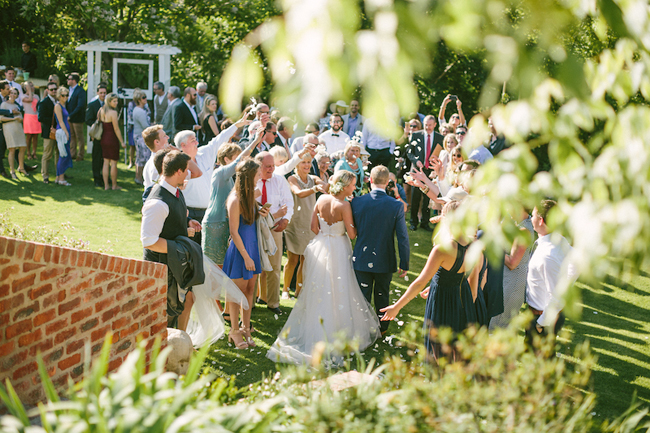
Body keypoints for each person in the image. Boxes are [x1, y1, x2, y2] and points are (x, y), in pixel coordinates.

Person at [267, 170, 381, 365]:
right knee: (340, 287)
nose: (354, 187)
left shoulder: (321, 200)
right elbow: (352, 234)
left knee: (319, 287)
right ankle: (338, 330)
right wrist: (353, 227)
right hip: (338, 246)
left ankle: (316, 328)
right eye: (353, 184)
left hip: (321, 245)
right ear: (345, 187)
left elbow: (314, 227)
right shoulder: (344, 205)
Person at [380, 201, 480, 363]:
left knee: (438, 351)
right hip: (464, 302)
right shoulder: (475, 246)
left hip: (441, 303)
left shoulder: (442, 249)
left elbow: (419, 282)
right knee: (457, 353)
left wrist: (395, 307)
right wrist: (435, 285)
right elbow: (472, 288)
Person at [141, 149, 203, 328]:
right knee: (165, 315)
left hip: (176, 264)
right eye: (185, 170)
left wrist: (186, 224)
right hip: (162, 269)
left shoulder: (175, 190)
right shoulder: (157, 202)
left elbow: (171, 223)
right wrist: (181, 246)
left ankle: (180, 343)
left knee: (186, 302)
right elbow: (149, 241)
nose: (188, 173)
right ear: (178, 172)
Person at [175, 107, 252, 246]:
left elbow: (219, 139)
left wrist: (236, 125)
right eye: (193, 140)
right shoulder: (177, 163)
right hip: (188, 213)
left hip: (209, 211)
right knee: (189, 249)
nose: (197, 142)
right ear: (183, 145)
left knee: (207, 252)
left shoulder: (204, 153)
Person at [351, 165, 410, 335]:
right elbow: (403, 237)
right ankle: (382, 329)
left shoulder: (357, 201)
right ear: (388, 182)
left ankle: (360, 328)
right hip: (385, 258)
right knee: (382, 294)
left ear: (370, 180)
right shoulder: (395, 205)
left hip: (361, 257)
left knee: (362, 296)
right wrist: (404, 262)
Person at [222, 158, 270, 349]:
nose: (260, 177)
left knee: (250, 290)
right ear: (249, 176)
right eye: (258, 174)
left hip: (252, 247)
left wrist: (261, 212)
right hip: (241, 251)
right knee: (236, 293)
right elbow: (234, 231)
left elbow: (250, 219)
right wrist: (246, 256)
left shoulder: (251, 197)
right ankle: (234, 331)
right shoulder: (235, 199)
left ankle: (246, 328)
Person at [203, 127, 264, 266]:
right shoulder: (219, 174)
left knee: (225, 267)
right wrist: (255, 141)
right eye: (237, 158)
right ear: (226, 159)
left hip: (226, 224)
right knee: (214, 267)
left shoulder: (231, 178)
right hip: (215, 224)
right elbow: (241, 160)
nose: (240, 162)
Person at [525, 200, 577, 346]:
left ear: (540, 220)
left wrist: (540, 324)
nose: (530, 218)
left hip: (542, 316)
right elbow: (576, 262)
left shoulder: (547, 255)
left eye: (533, 215)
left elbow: (557, 296)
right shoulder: (559, 240)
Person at [282, 153, 328, 299]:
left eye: (309, 162)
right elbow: (299, 193)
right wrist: (315, 189)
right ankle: (285, 290)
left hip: (310, 222)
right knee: (293, 259)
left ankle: (299, 292)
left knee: (305, 259)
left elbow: (325, 186)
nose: (307, 165)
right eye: (304, 162)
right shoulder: (292, 178)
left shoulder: (313, 178)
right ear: (296, 164)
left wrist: (330, 184)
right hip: (295, 222)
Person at [255, 151, 294, 315]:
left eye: (273, 166)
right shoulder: (252, 181)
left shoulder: (279, 179)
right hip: (254, 227)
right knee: (255, 265)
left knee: (274, 265)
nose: (272, 169)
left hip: (275, 228)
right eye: (268, 166)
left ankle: (273, 302)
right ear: (259, 166)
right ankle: (254, 300)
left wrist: (286, 219)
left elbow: (288, 202)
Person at [489, 209, 536, 330]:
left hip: (512, 284)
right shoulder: (517, 224)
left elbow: (512, 263)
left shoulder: (524, 231)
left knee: (497, 326)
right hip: (505, 280)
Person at [99, 93, 126, 190]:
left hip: (104, 138)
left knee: (105, 162)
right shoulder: (113, 113)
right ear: (109, 101)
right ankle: (114, 185)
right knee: (113, 163)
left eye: (117, 101)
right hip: (112, 139)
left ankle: (106, 186)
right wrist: (122, 141)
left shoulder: (101, 110)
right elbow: (116, 129)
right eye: (114, 101)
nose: (116, 103)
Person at [1, 88, 28, 179]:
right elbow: (1, 118)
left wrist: (20, 119)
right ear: (9, 94)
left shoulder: (17, 105)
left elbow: (21, 117)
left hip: (18, 128)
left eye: (15, 93)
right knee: (12, 149)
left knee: (23, 147)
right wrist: (14, 118)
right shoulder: (4, 104)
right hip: (9, 128)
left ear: (17, 95)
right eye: (11, 93)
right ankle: (12, 171)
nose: (13, 95)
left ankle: (21, 167)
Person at [85, 83, 107, 187]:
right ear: (97, 93)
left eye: (104, 93)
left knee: (105, 157)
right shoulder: (92, 104)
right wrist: (96, 125)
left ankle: (105, 176)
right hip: (97, 134)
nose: (103, 94)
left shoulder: (108, 103)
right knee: (97, 157)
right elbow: (87, 120)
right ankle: (97, 178)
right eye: (101, 93)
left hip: (107, 134)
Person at [38, 81, 57, 184]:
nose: (54, 91)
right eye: (51, 89)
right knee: (47, 154)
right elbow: (40, 118)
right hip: (48, 132)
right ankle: (45, 175)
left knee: (59, 153)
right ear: (47, 91)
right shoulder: (43, 102)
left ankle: (60, 174)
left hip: (59, 131)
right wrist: (54, 120)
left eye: (55, 89)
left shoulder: (59, 100)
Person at [53, 87, 73, 186]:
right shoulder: (58, 106)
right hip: (62, 132)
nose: (65, 97)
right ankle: (61, 178)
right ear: (59, 96)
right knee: (63, 154)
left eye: (66, 95)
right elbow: (60, 121)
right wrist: (66, 132)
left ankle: (58, 177)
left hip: (65, 130)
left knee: (64, 153)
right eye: (63, 95)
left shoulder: (64, 105)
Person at [65, 73, 86, 161]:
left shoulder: (80, 91)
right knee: (71, 135)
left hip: (77, 117)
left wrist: (71, 115)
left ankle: (80, 155)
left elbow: (80, 105)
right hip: (69, 117)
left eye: (69, 79)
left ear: (74, 80)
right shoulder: (68, 90)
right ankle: (72, 153)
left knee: (79, 136)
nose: (67, 80)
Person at [132, 90, 151, 185]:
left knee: (140, 158)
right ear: (139, 100)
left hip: (138, 136)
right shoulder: (139, 111)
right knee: (144, 158)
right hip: (141, 137)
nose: (145, 99)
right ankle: (141, 178)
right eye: (143, 97)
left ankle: (138, 177)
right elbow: (145, 126)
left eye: (145, 96)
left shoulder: (139, 109)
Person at [21, 81, 40, 160]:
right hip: (28, 117)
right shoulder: (23, 96)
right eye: (29, 86)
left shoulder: (37, 96)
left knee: (35, 136)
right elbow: (30, 100)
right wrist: (29, 92)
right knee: (28, 136)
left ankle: (34, 152)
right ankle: (28, 153)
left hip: (36, 116)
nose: (31, 87)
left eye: (32, 86)